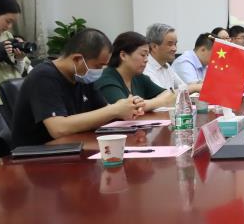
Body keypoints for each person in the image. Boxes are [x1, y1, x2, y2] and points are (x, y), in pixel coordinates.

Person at [11, 28, 144, 146]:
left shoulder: (82, 76)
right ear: (77, 59)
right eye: (98, 66)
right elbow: (58, 129)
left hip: (72, 147)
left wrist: (126, 108)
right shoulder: (43, 76)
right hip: (37, 155)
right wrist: (114, 110)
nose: (100, 71)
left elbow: (103, 111)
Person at [95, 31, 175, 111]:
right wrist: (162, 101)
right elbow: (126, 110)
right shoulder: (107, 79)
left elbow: (172, 95)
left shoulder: (138, 77)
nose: (146, 60)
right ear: (123, 55)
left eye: (147, 55)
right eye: (143, 55)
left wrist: (146, 104)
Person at [143, 23, 202, 93]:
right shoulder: (145, 68)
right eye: (170, 44)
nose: (175, 49)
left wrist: (197, 86)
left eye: (175, 44)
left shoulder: (166, 65)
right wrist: (194, 87)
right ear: (154, 47)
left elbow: (183, 87)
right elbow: (164, 96)